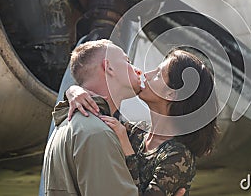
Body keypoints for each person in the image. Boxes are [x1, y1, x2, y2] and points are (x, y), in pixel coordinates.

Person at [42, 39, 187, 196]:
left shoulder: (66, 124)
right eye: (127, 61)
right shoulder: (98, 133)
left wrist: (73, 90)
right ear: (109, 67)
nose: (140, 72)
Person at [66, 49, 219, 196]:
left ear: (171, 94)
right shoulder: (136, 131)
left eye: (158, 74)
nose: (147, 74)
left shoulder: (178, 156)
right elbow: (97, 113)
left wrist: (127, 148)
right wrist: (74, 91)